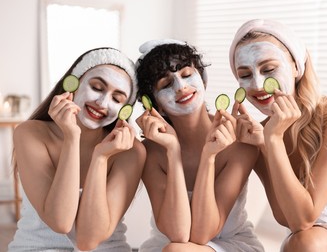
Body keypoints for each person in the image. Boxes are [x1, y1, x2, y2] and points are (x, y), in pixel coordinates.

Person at [228, 19, 327, 251]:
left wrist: (272, 139)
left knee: (305, 241)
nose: (258, 84)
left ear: (295, 66)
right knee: (302, 241)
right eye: (245, 74)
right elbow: (288, 219)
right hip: (316, 241)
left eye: (269, 69)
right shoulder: (263, 132)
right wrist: (266, 145)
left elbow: (304, 220)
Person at [8, 47, 146, 251]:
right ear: (73, 85)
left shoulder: (130, 150)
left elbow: (87, 240)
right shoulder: (30, 133)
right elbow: (60, 221)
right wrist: (72, 137)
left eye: (117, 99)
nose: (102, 103)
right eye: (97, 87)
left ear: (124, 111)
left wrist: (100, 157)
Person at [135, 39, 264, 251]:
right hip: (169, 245)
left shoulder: (239, 142)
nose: (181, 87)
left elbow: (203, 234)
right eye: (166, 84)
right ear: (154, 104)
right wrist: (172, 151)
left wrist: (209, 156)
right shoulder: (151, 151)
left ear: (203, 80)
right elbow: (177, 234)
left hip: (229, 244)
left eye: (187, 75)